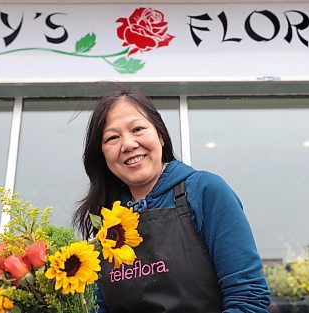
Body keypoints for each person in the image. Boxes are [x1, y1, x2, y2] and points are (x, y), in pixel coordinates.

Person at [73, 89, 271, 313]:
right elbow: (102, 307)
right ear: (102, 155)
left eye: (138, 129)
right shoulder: (107, 219)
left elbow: (248, 299)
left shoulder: (204, 191)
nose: (128, 144)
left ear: (161, 135)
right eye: (112, 137)